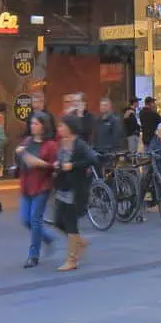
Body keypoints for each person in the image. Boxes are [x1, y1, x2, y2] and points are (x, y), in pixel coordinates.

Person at [51, 114, 97, 271]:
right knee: (58, 221)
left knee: (71, 223)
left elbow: (93, 159)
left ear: (70, 128)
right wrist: (58, 164)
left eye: (62, 126)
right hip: (62, 186)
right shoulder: (62, 143)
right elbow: (61, 160)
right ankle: (79, 241)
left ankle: (72, 260)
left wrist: (73, 165)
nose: (59, 129)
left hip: (74, 189)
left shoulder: (80, 144)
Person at [16, 112, 59, 268]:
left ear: (43, 126)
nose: (32, 126)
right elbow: (20, 159)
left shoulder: (50, 145)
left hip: (42, 186)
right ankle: (47, 237)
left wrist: (37, 162)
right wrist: (20, 154)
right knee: (26, 219)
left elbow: (54, 166)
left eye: (36, 124)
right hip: (27, 185)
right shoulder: (27, 142)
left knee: (35, 219)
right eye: (31, 123)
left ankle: (33, 255)